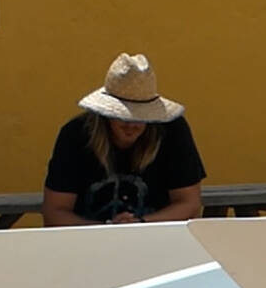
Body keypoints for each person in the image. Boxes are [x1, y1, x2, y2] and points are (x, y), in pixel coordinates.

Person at [41, 52, 205, 226]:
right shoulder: (75, 134)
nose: (131, 124)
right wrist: (108, 231)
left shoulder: (172, 130)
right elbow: (55, 211)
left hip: (157, 240)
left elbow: (189, 204)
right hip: (90, 243)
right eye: (122, 116)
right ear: (105, 115)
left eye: (140, 116)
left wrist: (139, 224)